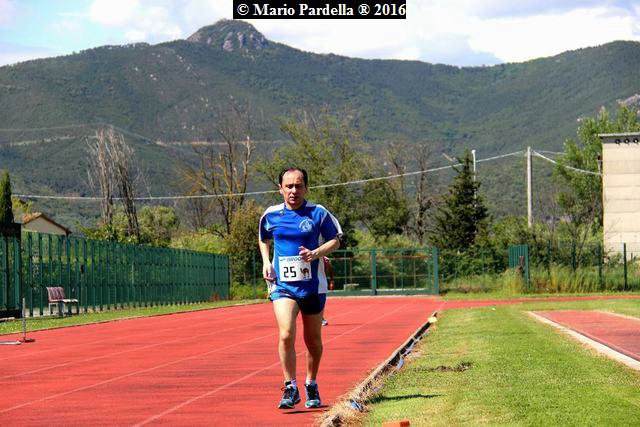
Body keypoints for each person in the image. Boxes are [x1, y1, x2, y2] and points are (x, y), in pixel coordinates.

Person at [259, 167, 342, 410]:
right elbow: (263, 238)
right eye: (289, 186)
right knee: (286, 333)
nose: (293, 191)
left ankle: (311, 383)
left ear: (306, 187)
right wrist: (266, 262)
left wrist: (315, 253)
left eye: (298, 185)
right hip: (282, 285)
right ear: (280, 189)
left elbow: (336, 240)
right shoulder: (270, 215)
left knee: (313, 340)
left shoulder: (318, 213)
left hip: (313, 286)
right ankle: (290, 386)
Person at [321, 256, 335, 326]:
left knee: (320, 302)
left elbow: (330, 268)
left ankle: (321, 318)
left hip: (320, 283)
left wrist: (332, 281)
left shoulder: (325, 259)